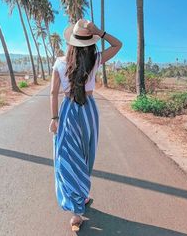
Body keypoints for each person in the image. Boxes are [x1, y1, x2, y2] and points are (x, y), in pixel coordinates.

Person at [49, 18, 122, 231]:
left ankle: (77, 207)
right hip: (89, 111)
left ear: (71, 42)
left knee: (68, 157)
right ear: (90, 42)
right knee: (85, 154)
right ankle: (79, 202)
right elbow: (118, 45)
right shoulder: (96, 59)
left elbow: (53, 93)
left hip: (68, 111)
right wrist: (100, 32)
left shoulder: (60, 62)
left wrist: (54, 118)